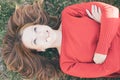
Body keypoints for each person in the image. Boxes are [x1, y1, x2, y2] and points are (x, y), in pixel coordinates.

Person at [2, 0, 120, 80]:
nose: (41, 34)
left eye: (35, 29)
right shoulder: (67, 65)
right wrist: (106, 25)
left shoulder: (69, 14)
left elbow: (111, 11)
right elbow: (110, 68)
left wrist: (102, 50)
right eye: (35, 41)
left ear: (38, 24)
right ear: (40, 49)